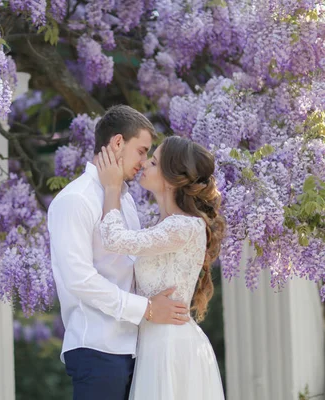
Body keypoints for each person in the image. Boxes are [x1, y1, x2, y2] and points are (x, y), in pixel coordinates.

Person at [48, 105, 190, 400]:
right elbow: (79, 280)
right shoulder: (75, 200)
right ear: (116, 143)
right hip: (98, 349)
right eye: (141, 151)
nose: (143, 162)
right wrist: (147, 309)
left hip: (136, 348)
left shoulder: (124, 201)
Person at [95, 135, 226, 399]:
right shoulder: (164, 225)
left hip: (169, 345)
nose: (144, 164)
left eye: (153, 162)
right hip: (155, 340)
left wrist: (111, 189)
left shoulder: (184, 226)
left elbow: (115, 239)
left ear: (170, 179)